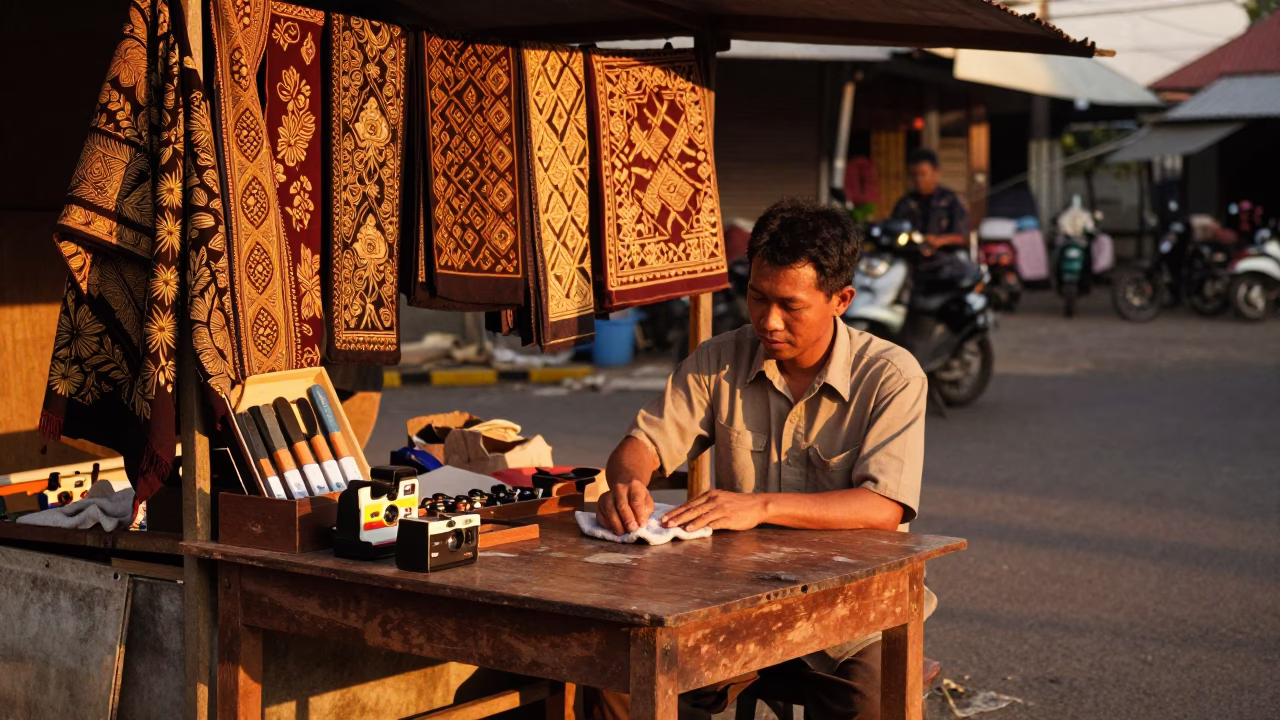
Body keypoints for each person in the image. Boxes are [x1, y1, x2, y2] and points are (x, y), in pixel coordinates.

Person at [589, 198, 934, 720]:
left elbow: (884, 506)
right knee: (618, 677)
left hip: (852, 612)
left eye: (790, 306)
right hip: (730, 601)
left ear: (841, 299)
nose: (768, 321)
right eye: (756, 298)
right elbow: (644, 445)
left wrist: (760, 506)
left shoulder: (892, 375)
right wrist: (627, 484)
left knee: (872, 701)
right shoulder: (717, 359)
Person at [891, 148, 970, 250]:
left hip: (946, 256)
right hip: (911, 256)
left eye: (923, 174)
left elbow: (963, 236)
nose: (918, 179)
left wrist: (939, 241)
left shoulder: (949, 200)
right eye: (914, 175)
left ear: (936, 172)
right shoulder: (905, 203)